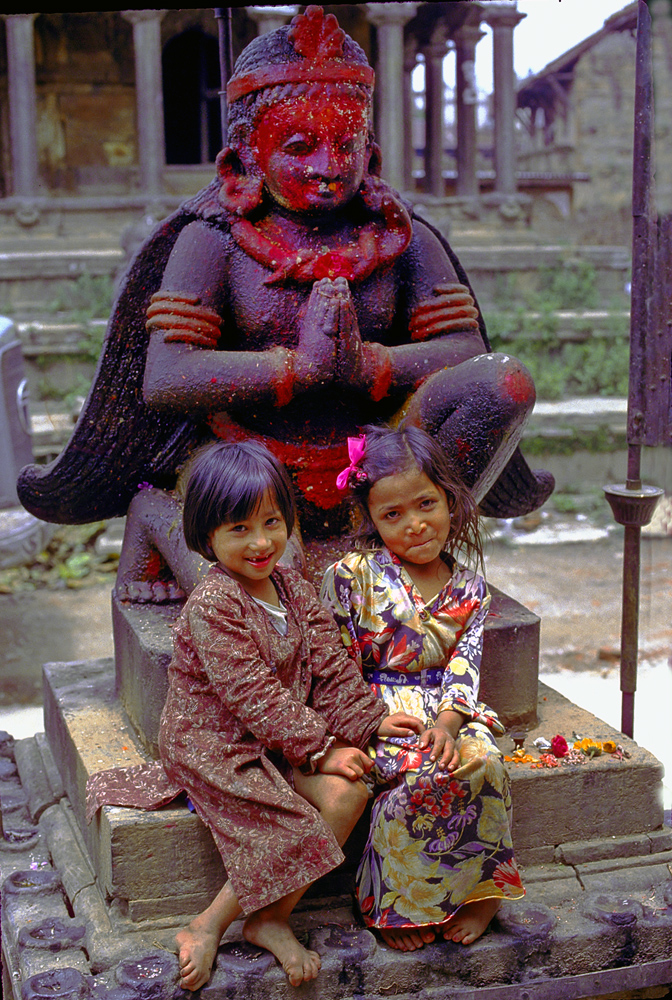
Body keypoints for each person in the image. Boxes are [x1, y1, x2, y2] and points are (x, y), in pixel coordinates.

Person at [17, 5, 552, 599]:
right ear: (246, 154)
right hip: (248, 461)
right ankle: (157, 517)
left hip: (376, 452)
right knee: (273, 605)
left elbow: (465, 351)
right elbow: (164, 378)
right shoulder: (213, 239)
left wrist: (368, 365)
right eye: (300, 146)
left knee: (505, 385)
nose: (327, 168)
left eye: (345, 145)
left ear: (370, 150)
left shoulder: (403, 237)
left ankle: (382, 548)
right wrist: (295, 369)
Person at [86, 440, 424, 989]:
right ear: (207, 535)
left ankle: (269, 917)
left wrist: (368, 721)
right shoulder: (215, 602)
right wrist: (320, 749)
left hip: (276, 737)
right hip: (214, 742)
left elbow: (330, 664)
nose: (262, 542)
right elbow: (252, 694)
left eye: (272, 522)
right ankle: (209, 923)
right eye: (239, 529)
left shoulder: (293, 587)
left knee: (349, 794)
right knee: (281, 819)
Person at [320, 424, 525, 953]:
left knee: (483, 762)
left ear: (450, 501)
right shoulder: (351, 576)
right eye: (392, 515)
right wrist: (355, 725)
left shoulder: (470, 589)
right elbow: (334, 661)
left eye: (426, 504)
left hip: (445, 708)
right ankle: (398, 905)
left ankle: (484, 892)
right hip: (376, 709)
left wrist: (452, 724)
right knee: (413, 776)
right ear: (371, 520)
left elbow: (466, 661)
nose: (414, 524)